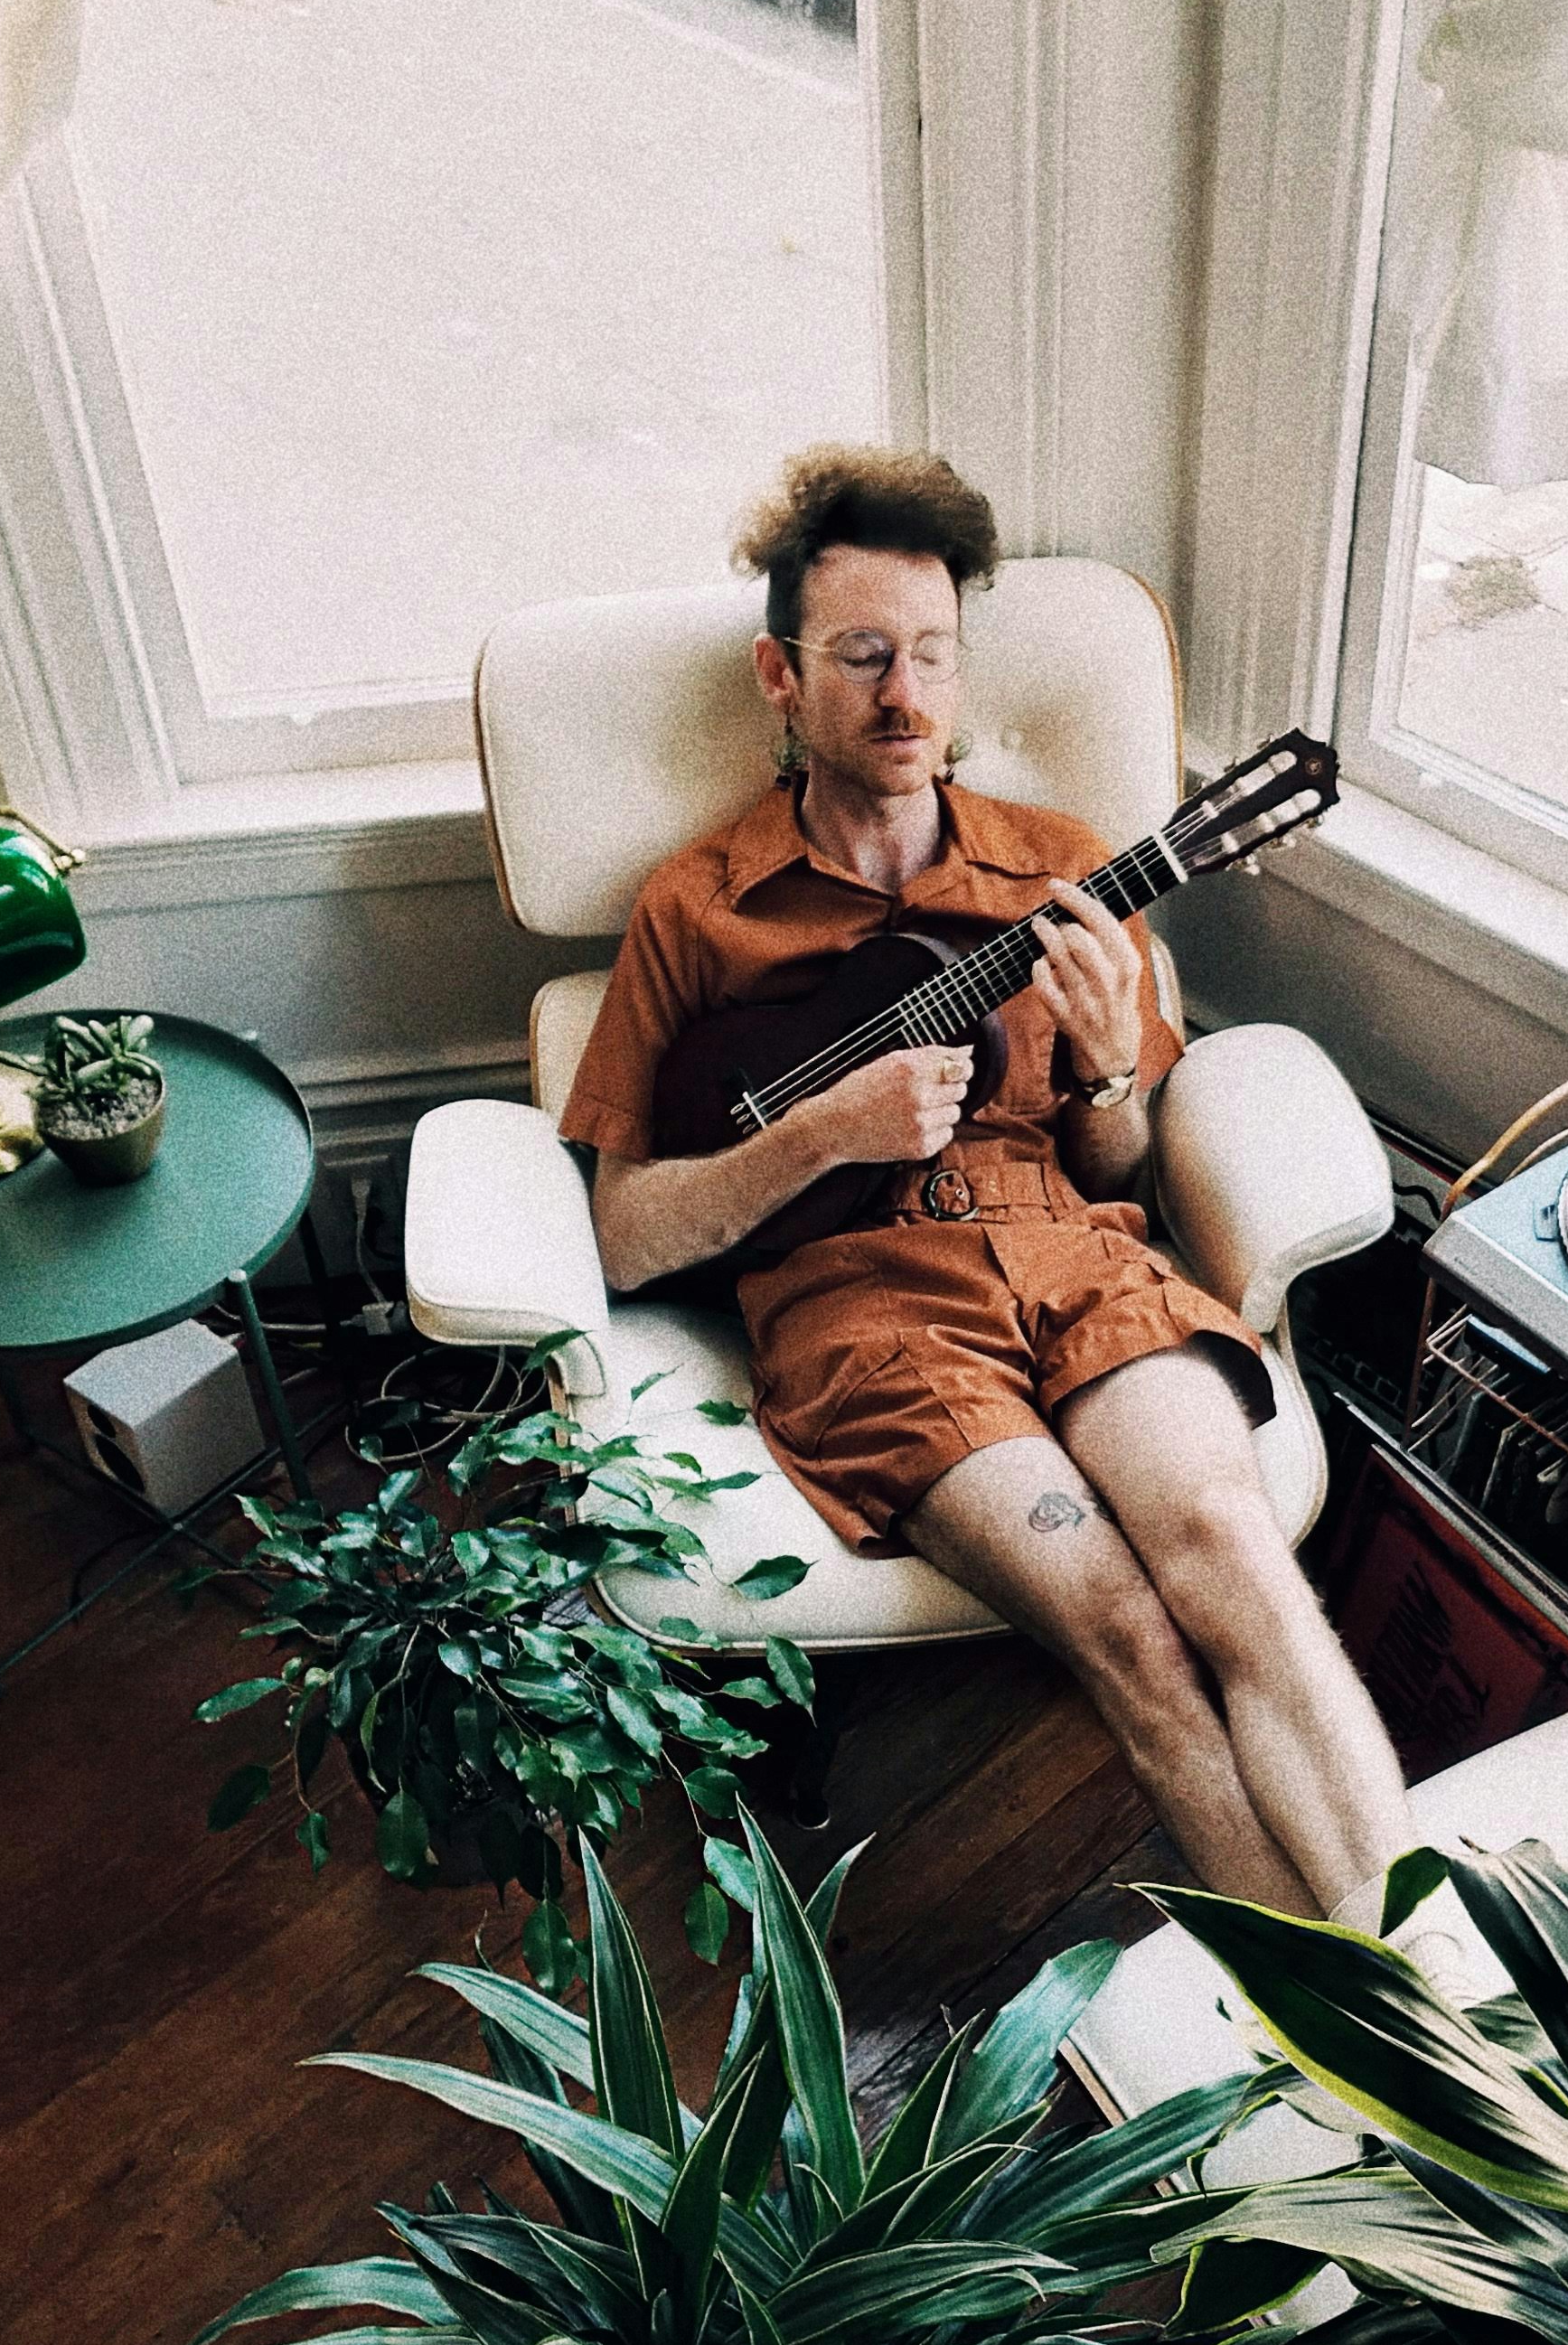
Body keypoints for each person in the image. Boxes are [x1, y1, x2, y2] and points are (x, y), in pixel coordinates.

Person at [558, 444, 1411, 1918]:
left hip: (1070, 1255)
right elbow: (629, 1238)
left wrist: (1101, 1070)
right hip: (862, 1312)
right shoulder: (697, 911)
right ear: (782, 673)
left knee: (1237, 1560)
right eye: (865, 656)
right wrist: (821, 1135)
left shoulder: (1065, 870)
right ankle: (1346, 2047)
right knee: (1131, 1642)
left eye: (934, 656)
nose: (906, 697)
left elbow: (1117, 1168)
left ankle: (1438, 1989)